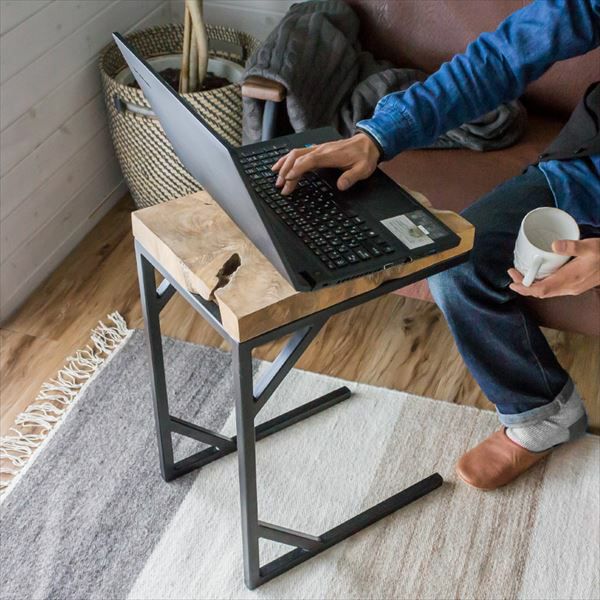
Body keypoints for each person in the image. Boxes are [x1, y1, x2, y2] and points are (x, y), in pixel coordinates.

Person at [272, 0, 600, 490]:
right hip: (586, 170)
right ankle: (544, 411)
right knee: (457, 258)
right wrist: (376, 137)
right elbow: (501, 57)